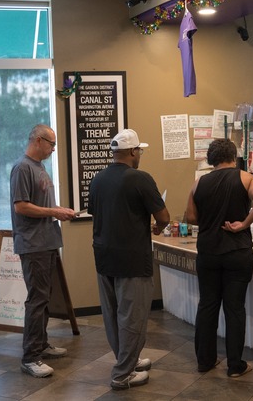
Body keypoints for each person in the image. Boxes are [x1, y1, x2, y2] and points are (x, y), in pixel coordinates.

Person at [88, 129, 170, 390]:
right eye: (140, 151)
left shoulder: (97, 179)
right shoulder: (140, 178)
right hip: (133, 259)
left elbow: (96, 212)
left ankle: (128, 360)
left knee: (112, 315)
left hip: (103, 256)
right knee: (132, 317)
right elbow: (164, 217)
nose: (140, 155)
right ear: (134, 152)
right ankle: (122, 375)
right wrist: (156, 227)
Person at [185, 138, 253, 378]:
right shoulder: (245, 178)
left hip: (208, 252)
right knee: (234, 309)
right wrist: (243, 223)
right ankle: (235, 366)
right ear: (234, 157)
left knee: (207, 305)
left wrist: (210, 221)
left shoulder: (198, 182)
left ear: (211, 160)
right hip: (237, 252)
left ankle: (205, 361)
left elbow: (190, 217)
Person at [10, 124, 76, 378]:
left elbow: (42, 204)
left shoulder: (40, 167)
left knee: (44, 297)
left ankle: (41, 344)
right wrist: (53, 212)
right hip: (33, 244)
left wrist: (61, 210)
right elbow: (21, 206)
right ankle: (30, 357)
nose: (53, 149)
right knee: (37, 299)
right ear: (38, 140)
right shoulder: (22, 167)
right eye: (51, 144)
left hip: (47, 241)